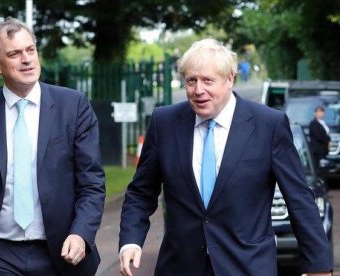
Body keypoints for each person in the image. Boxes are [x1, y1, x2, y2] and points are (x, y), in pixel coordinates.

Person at [118, 38, 332, 276]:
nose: (199, 90)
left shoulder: (268, 125)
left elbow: (299, 198)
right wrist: (130, 241)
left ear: (230, 78)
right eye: (191, 81)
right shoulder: (164, 123)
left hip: (247, 266)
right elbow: (140, 192)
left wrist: (319, 266)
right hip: (180, 266)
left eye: (208, 80)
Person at [0, 17, 105, 276]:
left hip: (62, 252)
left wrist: (81, 234)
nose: (26, 59)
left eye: (30, 50)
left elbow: (92, 182)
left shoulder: (73, 106)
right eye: (14, 53)